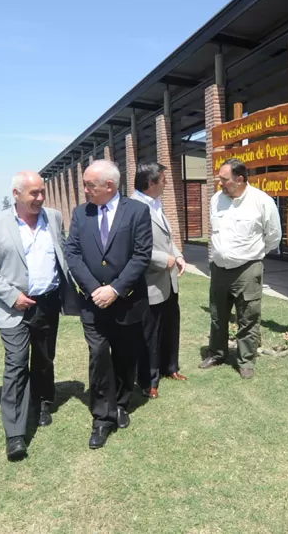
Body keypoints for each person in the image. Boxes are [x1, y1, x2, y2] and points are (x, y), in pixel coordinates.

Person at [0, 170, 78, 461]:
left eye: (42, 192)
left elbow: (62, 252)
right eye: (33, 193)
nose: (39, 198)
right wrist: (12, 296)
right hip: (14, 307)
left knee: (45, 358)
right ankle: (15, 434)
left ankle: (43, 402)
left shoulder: (54, 217)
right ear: (16, 195)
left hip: (48, 302)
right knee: (17, 364)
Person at [65, 159, 152, 450]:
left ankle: (122, 403)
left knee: (126, 355)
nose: (85, 190)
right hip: (93, 305)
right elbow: (72, 253)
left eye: (89, 185)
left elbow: (141, 255)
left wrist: (115, 289)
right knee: (99, 355)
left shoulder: (138, 211)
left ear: (109, 186)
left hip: (127, 302)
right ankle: (102, 416)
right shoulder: (81, 214)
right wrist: (94, 289)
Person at [201, 158, 282, 379]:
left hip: (247, 269)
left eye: (224, 180)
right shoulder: (217, 200)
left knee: (248, 316)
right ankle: (217, 354)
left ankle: (245, 360)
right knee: (218, 315)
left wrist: (254, 254)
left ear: (239, 179)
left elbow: (274, 236)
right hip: (219, 268)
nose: (220, 184)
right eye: (220, 179)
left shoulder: (261, 201)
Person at [130, 162, 188, 399]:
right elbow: (132, 247)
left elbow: (166, 238)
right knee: (149, 333)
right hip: (150, 281)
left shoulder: (156, 204)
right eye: (163, 180)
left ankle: (170, 367)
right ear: (151, 183)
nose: (166, 183)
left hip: (169, 280)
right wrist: (164, 259)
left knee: (170, 326)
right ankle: (148, 380)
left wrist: (179, 255)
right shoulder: (132, 207)